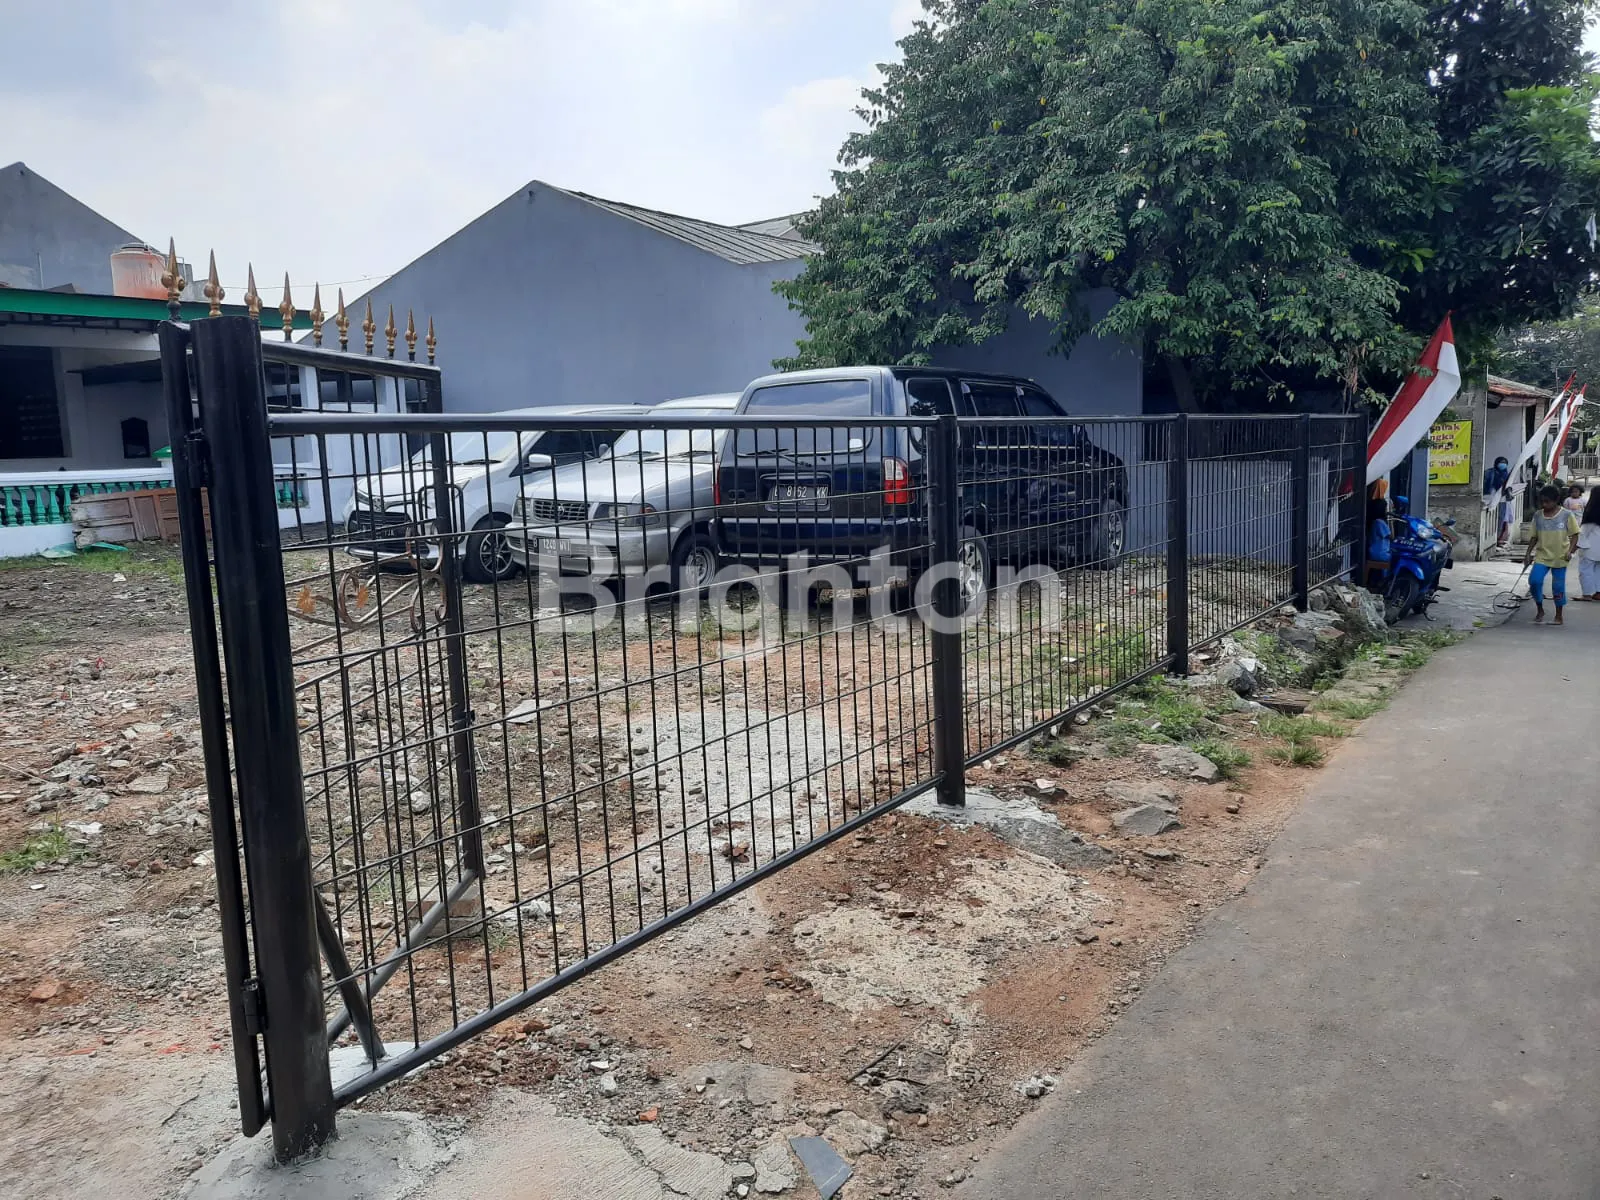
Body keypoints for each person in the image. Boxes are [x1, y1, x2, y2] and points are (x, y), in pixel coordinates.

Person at [1524, 485, 1581, 624]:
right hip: (1542, 556)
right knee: (1534, 581)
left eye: (1547, 502)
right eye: (1542, 502)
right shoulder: (1538, 515)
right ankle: (1540, 609)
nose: (1544, 505)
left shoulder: (1567, 515)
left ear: (1556, 500)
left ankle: (1559, 615)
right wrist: (1528, 554)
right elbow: (1534, 537)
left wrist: (1570, 551)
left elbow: (1575, 534)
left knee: (1558, 587)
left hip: (1560, 556)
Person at [1483, 456, 1513, 547]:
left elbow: (1509, 486)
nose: (1502, 465)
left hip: (1502, 500)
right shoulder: (1489, 473)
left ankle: (1497, 539)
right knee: (1490, 519)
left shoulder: (1506, 474)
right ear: (1496, 463)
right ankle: (1490, 539)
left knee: (1500, 519)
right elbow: (1486, 485)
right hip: (1491, 499)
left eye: (1504, 463)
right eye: (1501, 463)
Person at [1578, 488, 1600, 602]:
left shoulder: (1591, 513)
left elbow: (1583, 532)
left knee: (1585, 570)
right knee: (1598, 570)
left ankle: (1586, 594)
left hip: (1590, 547)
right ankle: (1598, 592)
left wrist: (1575, 547)